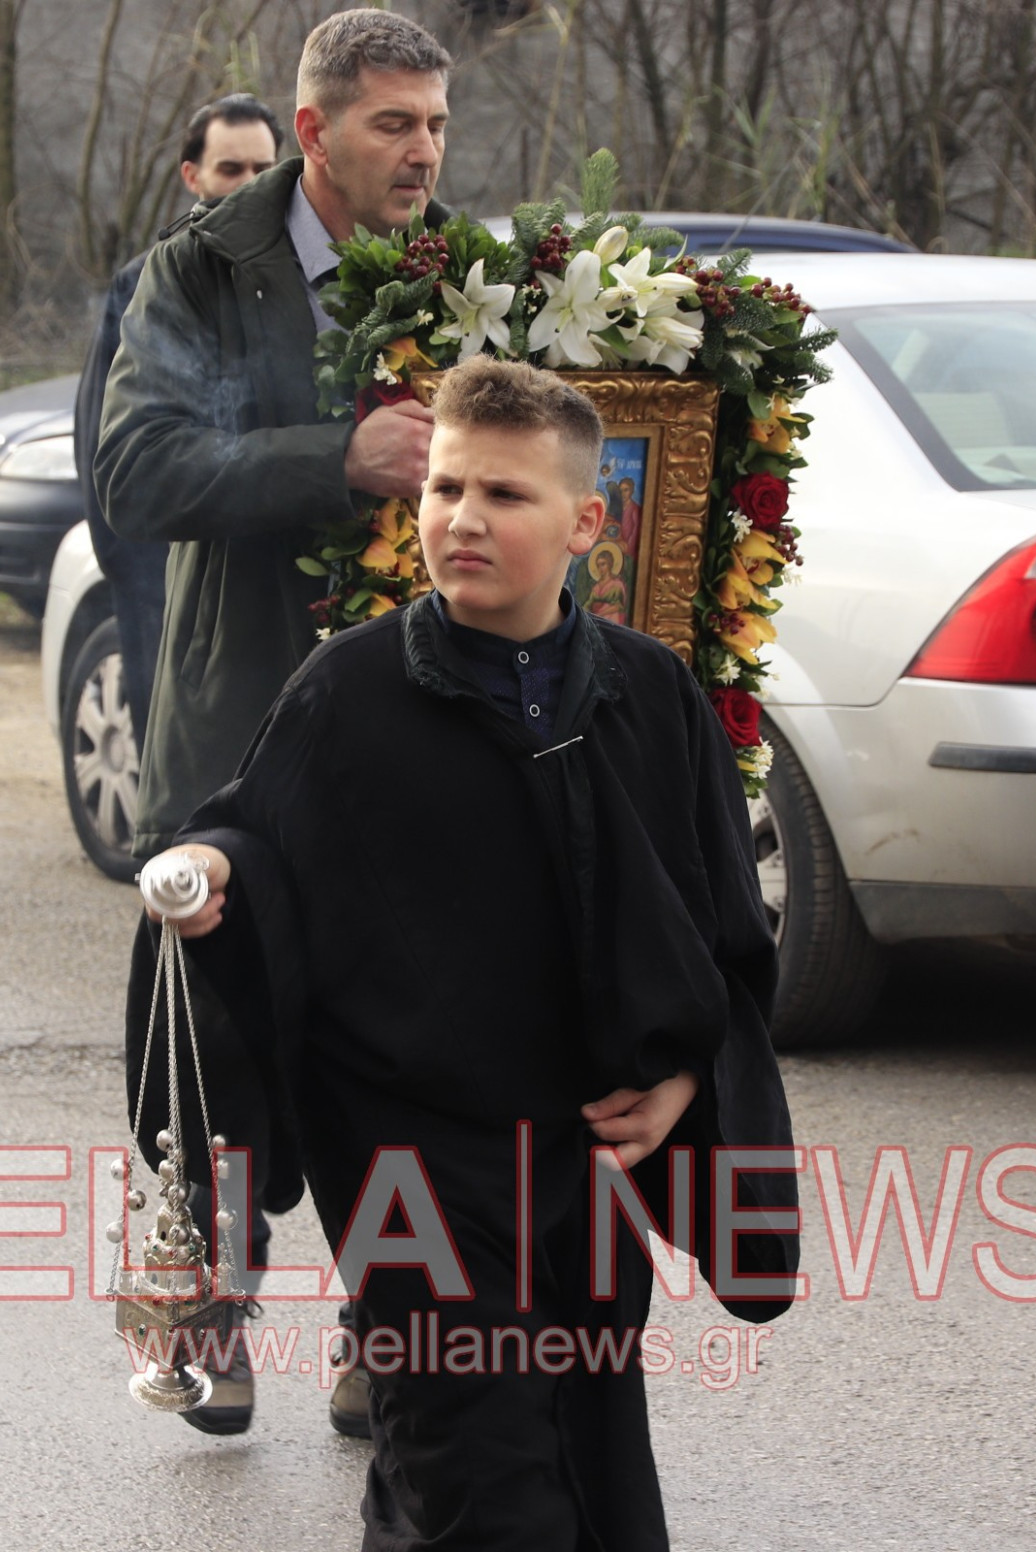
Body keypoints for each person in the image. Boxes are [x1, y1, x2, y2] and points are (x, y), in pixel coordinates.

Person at [130, 357, 802, 1551]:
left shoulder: (648, 697)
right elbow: (253, 831)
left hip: (585, 1164)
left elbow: (723, 941)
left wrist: (687, 1078)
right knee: (480, 1473)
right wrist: (218, 875)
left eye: (502, 494)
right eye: (444, 488)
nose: (460, 520)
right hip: (409, 1162)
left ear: (587, 524)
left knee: (580, 1459)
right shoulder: (351, 692)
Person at [94, 9, 458, 1439]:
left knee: (408, 1038)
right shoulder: (198, 271)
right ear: (314, 132)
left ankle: (393, 1328)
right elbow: (137, 468)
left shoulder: (467, 272)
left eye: (434, 123)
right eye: (392, 123)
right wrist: (335, 459)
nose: (422, 150)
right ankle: (213, 1321)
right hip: (243, 721)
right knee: (226, 1038)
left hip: (417, 723)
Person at [71, 93, 283, 748]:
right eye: (230, 170)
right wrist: (146, 587)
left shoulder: (296, 282)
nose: (249, 186)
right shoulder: (148, 285)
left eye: (263, 169)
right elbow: (105, 453)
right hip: (168, 577)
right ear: (192, 177)